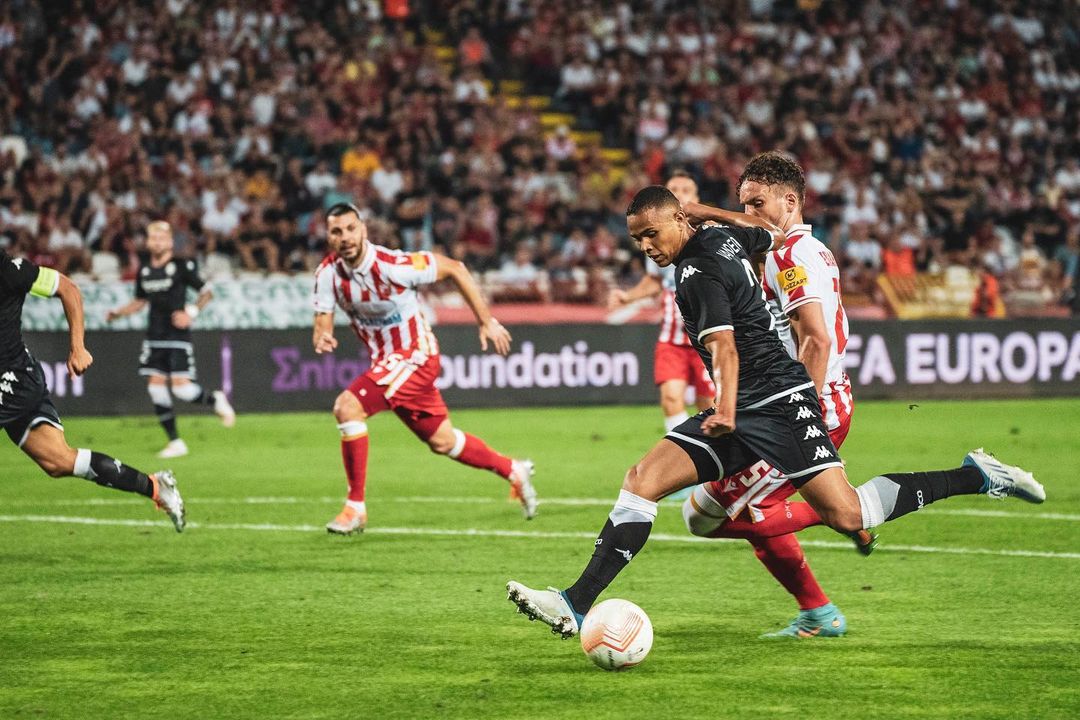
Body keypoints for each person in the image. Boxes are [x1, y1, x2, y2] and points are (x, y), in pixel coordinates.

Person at [507, 186, 1044, 639]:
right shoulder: (721, 236)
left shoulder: (696, 271)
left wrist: (725, 407)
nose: (646, 246)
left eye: (652, 233)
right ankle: (575, 603)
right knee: (642, 480)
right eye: (637, 239)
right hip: (745, 404)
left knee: (849, 514)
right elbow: (765, 231)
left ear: (677, 220)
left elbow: (724, 347)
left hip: (778, 402)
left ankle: (976, 475)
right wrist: (707, 211)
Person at [679, 151, 864, 637]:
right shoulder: (796, 252)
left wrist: (805, 415)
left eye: (758, 204)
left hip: (806, 405)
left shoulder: (790, 256)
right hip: (779, 403)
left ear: (790, 202)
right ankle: (818, 610)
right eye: (744, 204)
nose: (749, 214)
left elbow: (816, 340)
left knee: (739, 514)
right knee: (704, 513)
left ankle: (843, 514)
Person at [313, 202, 537, 535]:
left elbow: (456, 268)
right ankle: (513, 469)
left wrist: (486, 321)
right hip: (388, 365)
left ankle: (355, 508)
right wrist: (322, 334)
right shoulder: (327, 275)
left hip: (416, 355)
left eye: (350, 229)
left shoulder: (394, 265)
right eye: (336, 231)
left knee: (348, 407)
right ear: (328, 236)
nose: (345, 237)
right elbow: (322, 321)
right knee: (443, 442)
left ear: (363, 230)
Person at [0, 246, 185, 531]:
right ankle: (155, 486)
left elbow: (68, 288)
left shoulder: (11, 271)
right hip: (19, 380)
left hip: (13, 381)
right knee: (59, 461)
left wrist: (77, 347)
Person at [106, 221, 235, 458]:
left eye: (161, 238)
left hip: (177, 337)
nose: (157, 242)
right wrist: (118, 313)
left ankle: (215, 399)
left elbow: (207, 292)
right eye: (153, 238)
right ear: (147, 242)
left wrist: (191, 312)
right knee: (155, 388)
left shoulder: (181, 266)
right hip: (154, 337)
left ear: (169, 242)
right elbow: (140, 301)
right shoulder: (145, 270)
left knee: (182, 389)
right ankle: (175, 442)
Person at [608, 171, 714, 433]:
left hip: (709, 336)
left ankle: (709, 455)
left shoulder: (711, 235)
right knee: (670, 399)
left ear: (696, 198)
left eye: (686, 189)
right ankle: (684, 449)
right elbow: (654, 281)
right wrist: (627, 296)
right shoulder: (654, 239)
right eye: (673, 189)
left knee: (709, 405)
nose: (680, 193)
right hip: (672, 337)